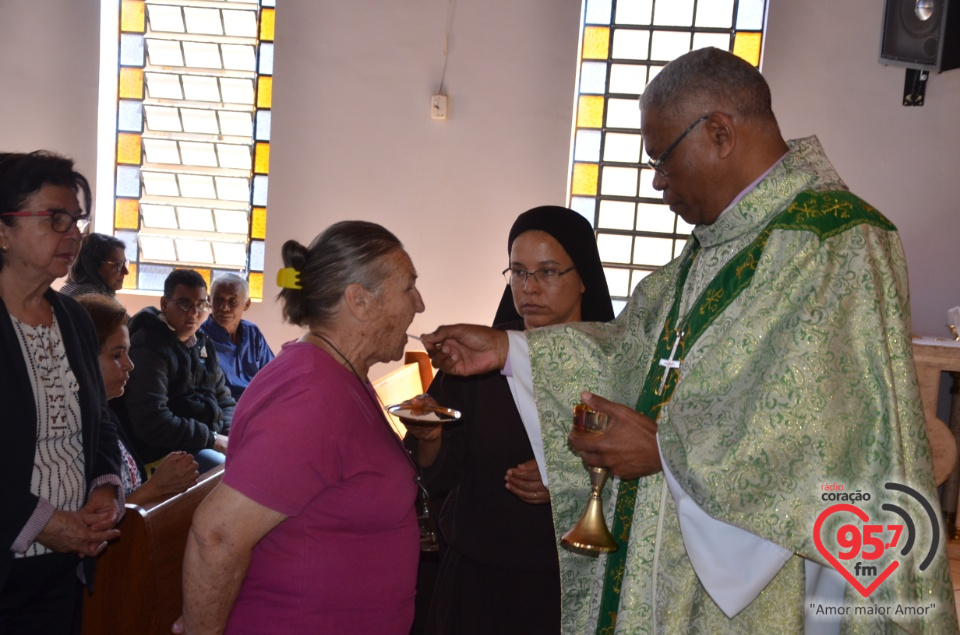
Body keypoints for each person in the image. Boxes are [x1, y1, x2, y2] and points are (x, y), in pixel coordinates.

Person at [420, 48, 959, 633]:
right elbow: (631, 351)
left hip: (769, 589)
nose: (658, 183)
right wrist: (510, 349)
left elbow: (830, 437)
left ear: (720, 133)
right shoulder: (707, 253)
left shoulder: (841, 243)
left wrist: (666, 455)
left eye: (662, 158)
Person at [176, 221, 426, 635]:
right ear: (359, 300)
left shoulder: (341, 375)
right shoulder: (311, 395)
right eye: (408, 287)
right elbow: (216, 537)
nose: (419, 304)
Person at [403, 206, 614, 635]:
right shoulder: (480, 355)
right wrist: (429, 437)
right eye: (518, 272)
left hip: (568, 577)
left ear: (584, 277)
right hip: (479, 577)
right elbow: (442, 471)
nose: (529, 288)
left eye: (548, 272)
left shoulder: (614, 361)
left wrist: (568, 475)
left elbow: (637, 460)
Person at [0, 151, 123, 633]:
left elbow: (101, 419)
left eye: (76, 220)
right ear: (3, 231)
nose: (73, 233)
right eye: (55, 218)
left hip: (65, 567)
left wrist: (106, 487)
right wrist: (44, 523)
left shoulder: (71, 316)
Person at [76, 294, 199, 506]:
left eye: (128, 353)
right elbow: (96, 525)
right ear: (83, 358)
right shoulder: (73, 430)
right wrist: (157, 487)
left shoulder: (106, 415)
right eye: (116, 356)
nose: (130, 365)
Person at [113, 269, 235, 473]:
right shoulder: (148, 348)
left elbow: (223, 398)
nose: (194, 313)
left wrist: (233, 435)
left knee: (255, 455)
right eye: (184, 303)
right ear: (164, 304)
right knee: (230, 471)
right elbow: (153, 421)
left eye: (201, 305)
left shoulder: (203, 342)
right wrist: (213, 439)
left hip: (204, 441)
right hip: (164, 453)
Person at [199, 273, 274, 401]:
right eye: (218, 300)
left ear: (247, 304)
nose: (224, 308)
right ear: (210, 300)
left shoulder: (252, 333)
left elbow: (272, 374)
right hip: (225, 412)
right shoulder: (200, 340)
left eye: (232, 301)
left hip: (258, 406)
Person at [59, 232, 129, 299]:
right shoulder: (91, 296)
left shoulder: (69, 289)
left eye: (124, 263)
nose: (126, 271)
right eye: (118, 264)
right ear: (93, 266)